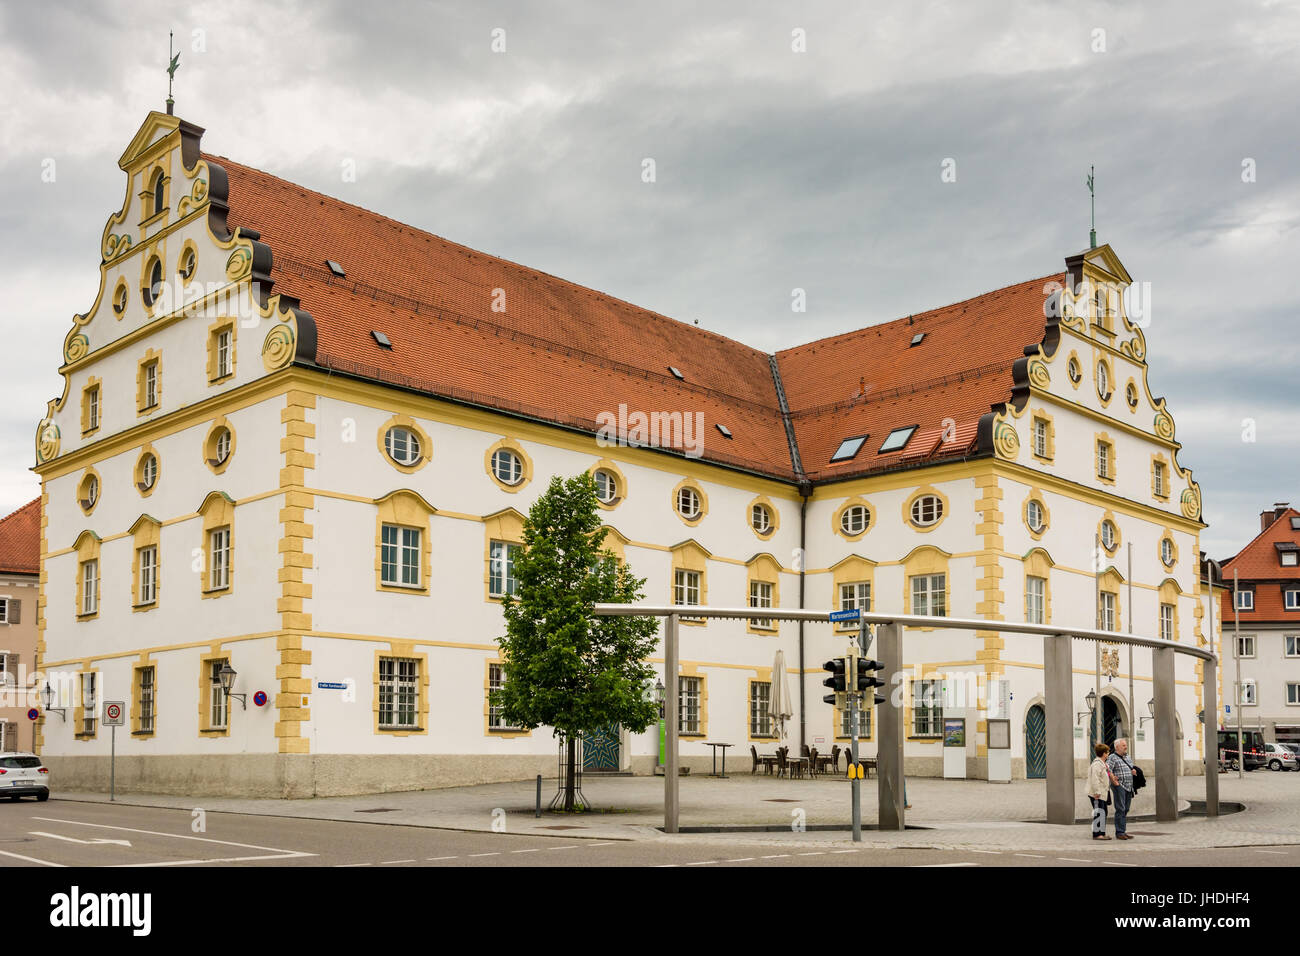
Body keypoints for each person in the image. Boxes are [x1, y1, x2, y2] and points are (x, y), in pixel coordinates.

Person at [1106, 737, 1136, 840]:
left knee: (1126, 808)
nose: (1126, 747)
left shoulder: (1127, 757)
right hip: (1119, 786)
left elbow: (1131, 767)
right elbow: (1107, 769)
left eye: (1125, 745)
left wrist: (1133, 772)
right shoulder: (1112, 757)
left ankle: (1123, 830)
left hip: (1129, 786)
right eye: (1123, 745)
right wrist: (1113, 780)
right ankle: (1119, 832)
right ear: (1117, 747)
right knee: (1120, 808)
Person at [1086, 743, 1117, 840]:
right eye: (1107, 752)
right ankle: (1097, 834)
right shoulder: (1096, 764)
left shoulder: (1103, 764)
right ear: (1104, 754)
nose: (1108, 754)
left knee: (1103, 812)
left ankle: (1102, 833)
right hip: (1097, 793)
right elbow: (1095, 779)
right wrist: (1097, 792)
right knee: (1099, 812)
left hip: (1103, 792)